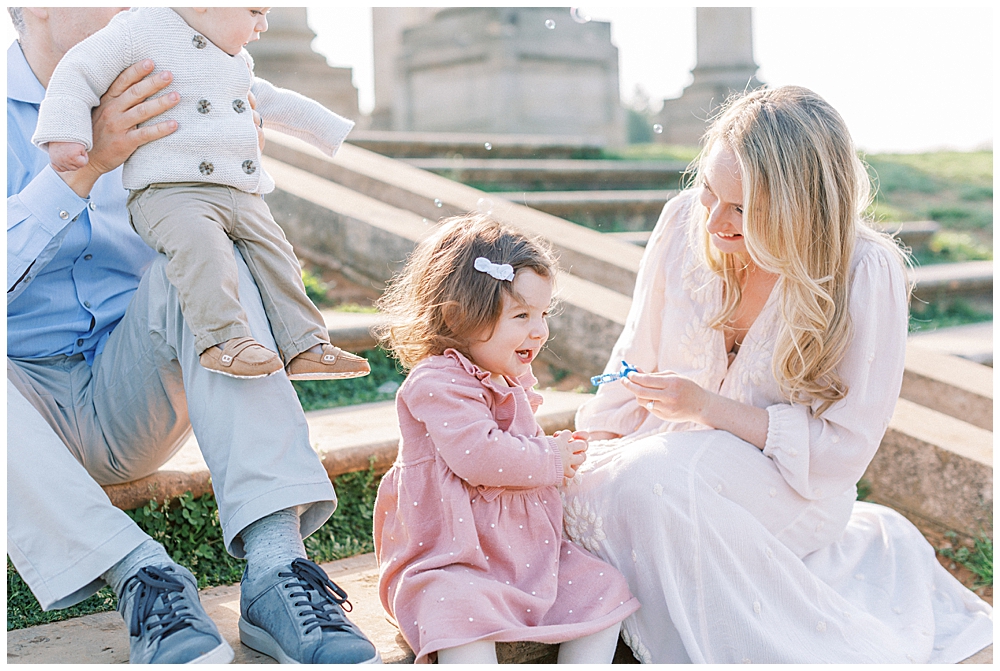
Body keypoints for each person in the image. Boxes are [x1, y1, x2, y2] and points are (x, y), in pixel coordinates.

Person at [562, 85, 994, 663]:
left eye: (744, 209)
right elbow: (629, 361)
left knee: (648, 482)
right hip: (661, 456)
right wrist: (593, 446)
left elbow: (842, 450)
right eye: (710, 192)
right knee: (583, 481)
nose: (716, 220)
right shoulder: (681, 222)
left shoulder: (866, 271)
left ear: (802, 209)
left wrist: (707, 408)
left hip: (795, 491)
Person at [7, 7, 379, 664]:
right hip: (20, 402)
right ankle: (144, 577)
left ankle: (276, 570)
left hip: (132, 391)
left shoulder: (170, 77)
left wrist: (229, 167)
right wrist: (81, 168)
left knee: (213, 255)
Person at [32, 6, 370, 380]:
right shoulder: (141, 27)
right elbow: (79, 69)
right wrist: (64, 133)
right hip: (169, 191)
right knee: (203, 249)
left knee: (277, 255)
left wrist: (326, 128)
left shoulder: (233, 57)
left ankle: (306, 344)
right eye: (255, 11)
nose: (264, 25)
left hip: (238, 191)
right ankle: (223, 341)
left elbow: (264, 98)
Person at [371, 215, 641, 664]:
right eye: (521, 316)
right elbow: (479, 456)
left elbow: (515, 450)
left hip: (520, 559)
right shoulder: (438, 382)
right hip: (453, 559)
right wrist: (549, 458)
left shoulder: (508, 380)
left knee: (603, 590)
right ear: (460, 317)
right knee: (455, 609)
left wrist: (553, 449)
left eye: (543, 315)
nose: (540, 331)